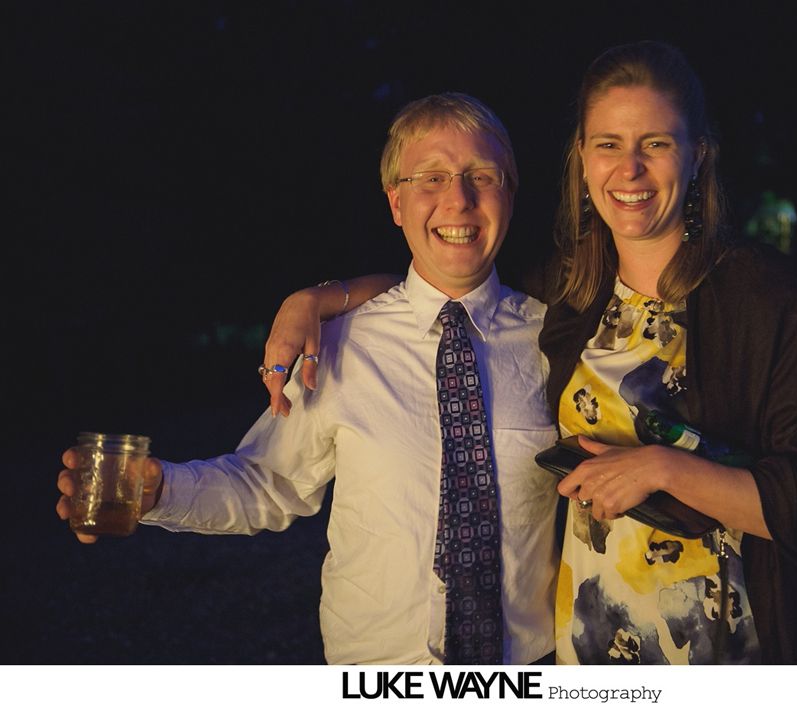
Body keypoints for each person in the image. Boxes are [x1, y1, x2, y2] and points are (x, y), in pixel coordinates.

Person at [256, 42, 797, 664]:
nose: (629, 169)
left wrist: (663, 468)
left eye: (655, 143)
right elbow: (446, 275)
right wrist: (317, 298)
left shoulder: (764, 296)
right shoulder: (567, 294)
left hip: (724, 649)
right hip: (585, 655)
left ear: (698, 154)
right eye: (608, 144)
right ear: (582, 158)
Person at [56, 93, 559, 665]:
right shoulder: (341, 343)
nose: (458, 199)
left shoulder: (556, 342)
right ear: (396, 202)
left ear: (510, 194)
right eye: (431, 178)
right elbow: (266, 483)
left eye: (482, 177)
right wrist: (160, 490)